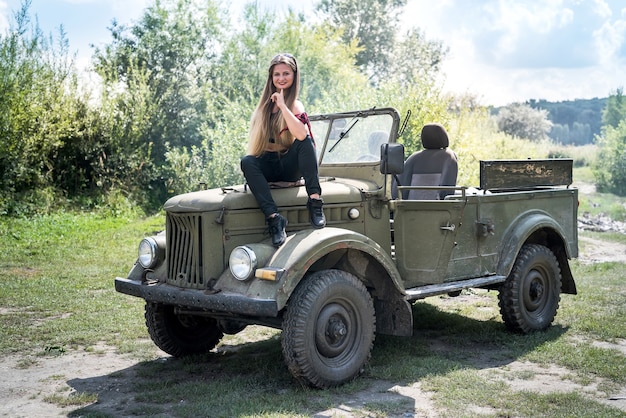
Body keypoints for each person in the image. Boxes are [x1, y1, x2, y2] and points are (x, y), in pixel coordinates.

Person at [240, 53, 325, 248]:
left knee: (306, 141)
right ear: (271, 78)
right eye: (276, 74)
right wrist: (272, 105)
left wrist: (283, 107)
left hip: (289, 165)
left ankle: (315, 201)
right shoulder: (263, 108)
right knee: (247, 161)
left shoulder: (295, 105)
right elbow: (257, 148)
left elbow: (301, 135)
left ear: (294, 76)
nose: (281, 78)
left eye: (286, 73)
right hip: (269, 163)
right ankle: (274, 218)